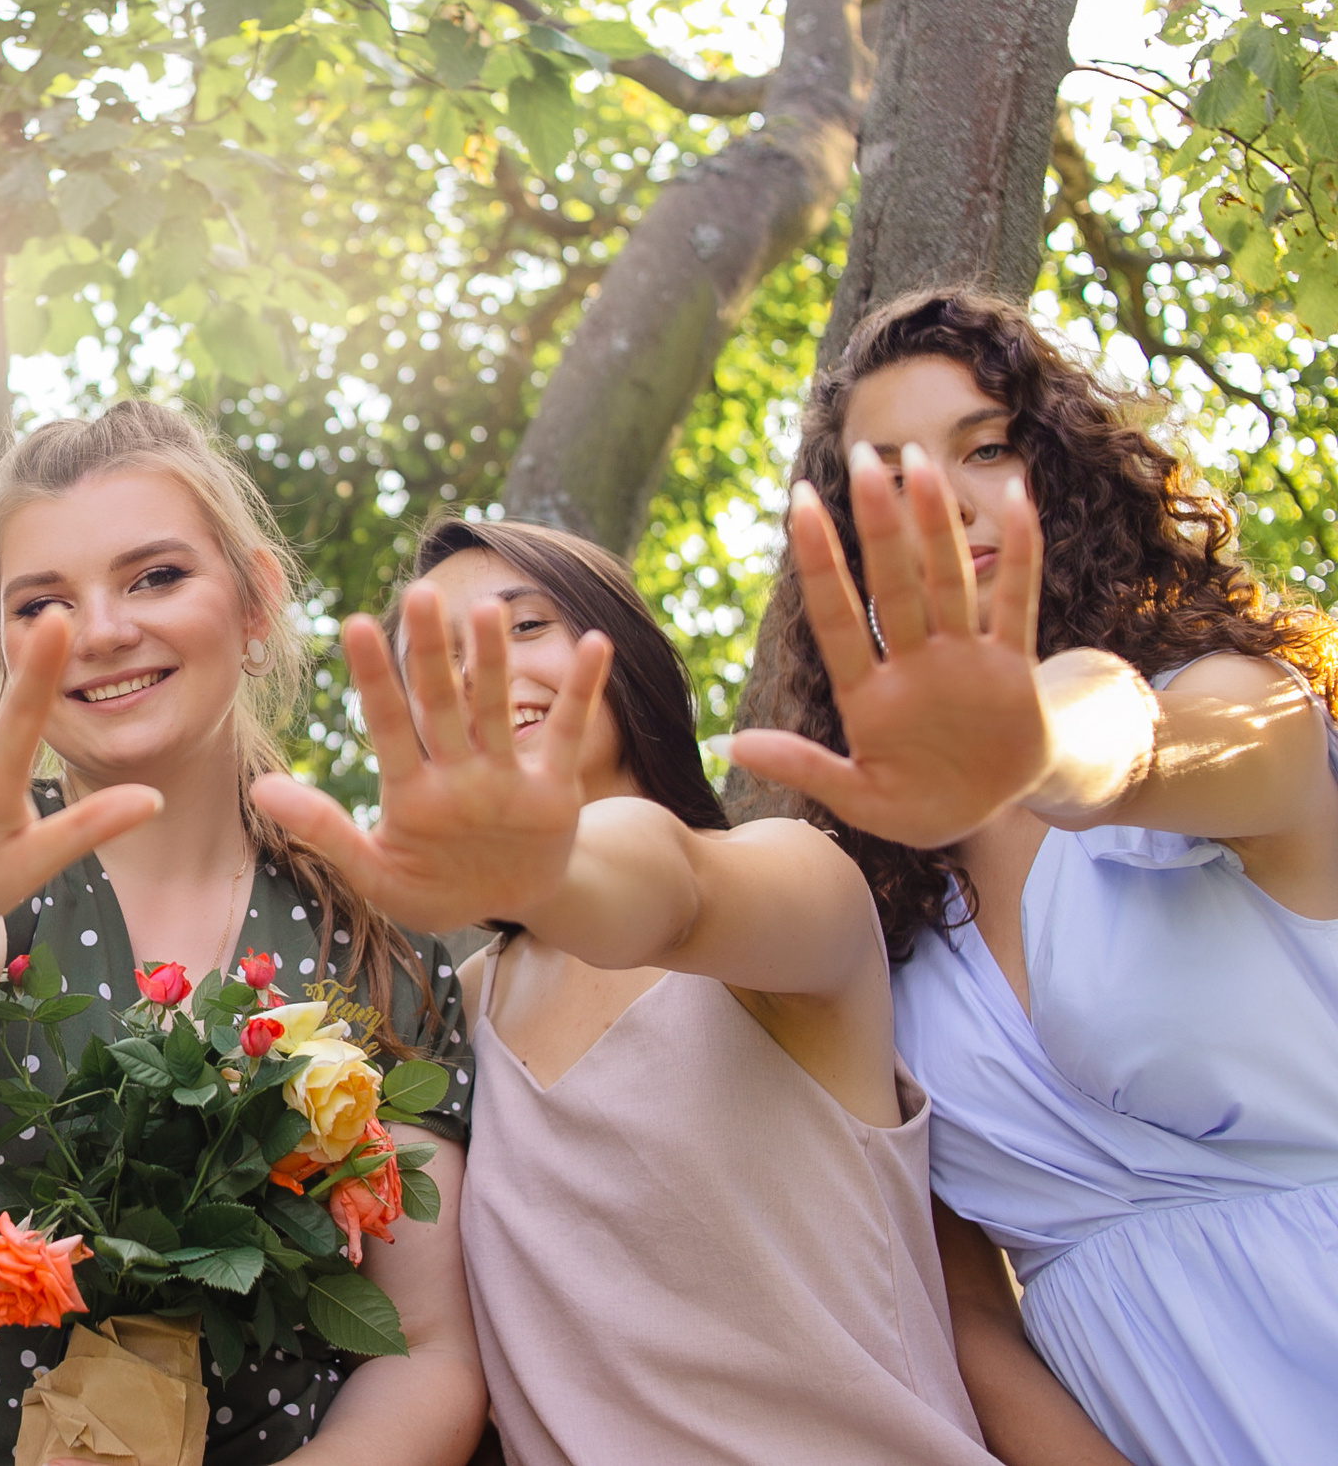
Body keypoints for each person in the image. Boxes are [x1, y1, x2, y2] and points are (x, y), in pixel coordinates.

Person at [0, 400, 483, 1466]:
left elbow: (426, 1352)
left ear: (255, 603)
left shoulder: (372, 938)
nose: (104, 629)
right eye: (43, 603)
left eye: (154, 576)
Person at [256, 511, 1004, 1465]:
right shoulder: (453, 1015)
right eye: (434, 664)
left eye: (524, 625)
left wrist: (547, 871)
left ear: (623, 651)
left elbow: (672, 892)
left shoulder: (786, 879)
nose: (481, 672)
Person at [734, 288, 1338, 1466]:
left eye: (986, 446)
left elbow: (1156, 746)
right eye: (890, 471)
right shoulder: (881, 915)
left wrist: (1040, 751)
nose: (946, 495)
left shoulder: (1227, 698)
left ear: (1060, 476)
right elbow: (967, 1310)